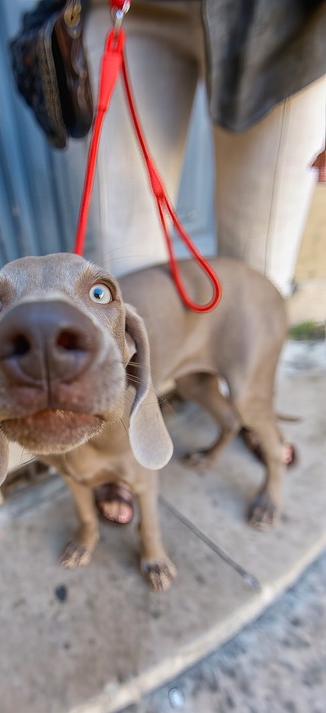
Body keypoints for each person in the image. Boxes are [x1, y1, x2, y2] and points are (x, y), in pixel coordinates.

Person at [81, 0, 326, 523]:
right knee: (124, 282)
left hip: (281, 23)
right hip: (132, 11)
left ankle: (257, 422)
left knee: (256, 276)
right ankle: (114, 455)